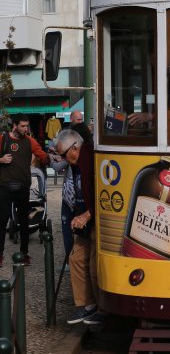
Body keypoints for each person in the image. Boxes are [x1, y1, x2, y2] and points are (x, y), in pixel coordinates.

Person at [56, 129, 104, 325]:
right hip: (83, 220)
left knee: (94, 266)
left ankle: (103, 308)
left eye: (63, 154)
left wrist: (87, 214)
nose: (63, 159)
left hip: (95, 220)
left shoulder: (91, 158)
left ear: (75, 148)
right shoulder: (76, 164)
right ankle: (87, 305)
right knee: (75, 258)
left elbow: (103, 193)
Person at [0, 114, 50, 267]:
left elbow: (42, 155)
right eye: (22, 126)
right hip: (4, 186)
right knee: (1, 222)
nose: (26, 129)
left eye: (27, 126)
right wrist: (0, 160)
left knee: (24, 221)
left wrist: (50, 157)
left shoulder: (29, 141)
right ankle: (0, 255)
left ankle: (24, 253)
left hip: (23, 187)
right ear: (14, 126)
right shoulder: (3, 139)